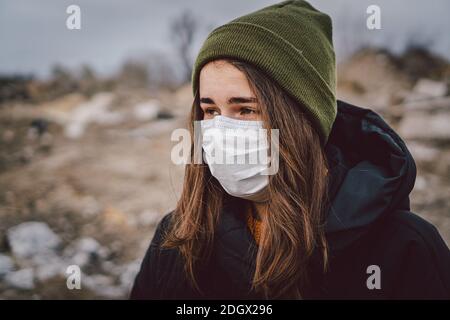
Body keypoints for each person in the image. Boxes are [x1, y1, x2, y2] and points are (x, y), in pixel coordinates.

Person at [130, 0, 450, 299]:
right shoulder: (180, 239)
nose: (221, 130)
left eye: (245, 110)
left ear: (301, 120)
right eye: (210, 110)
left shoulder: (404, 247)